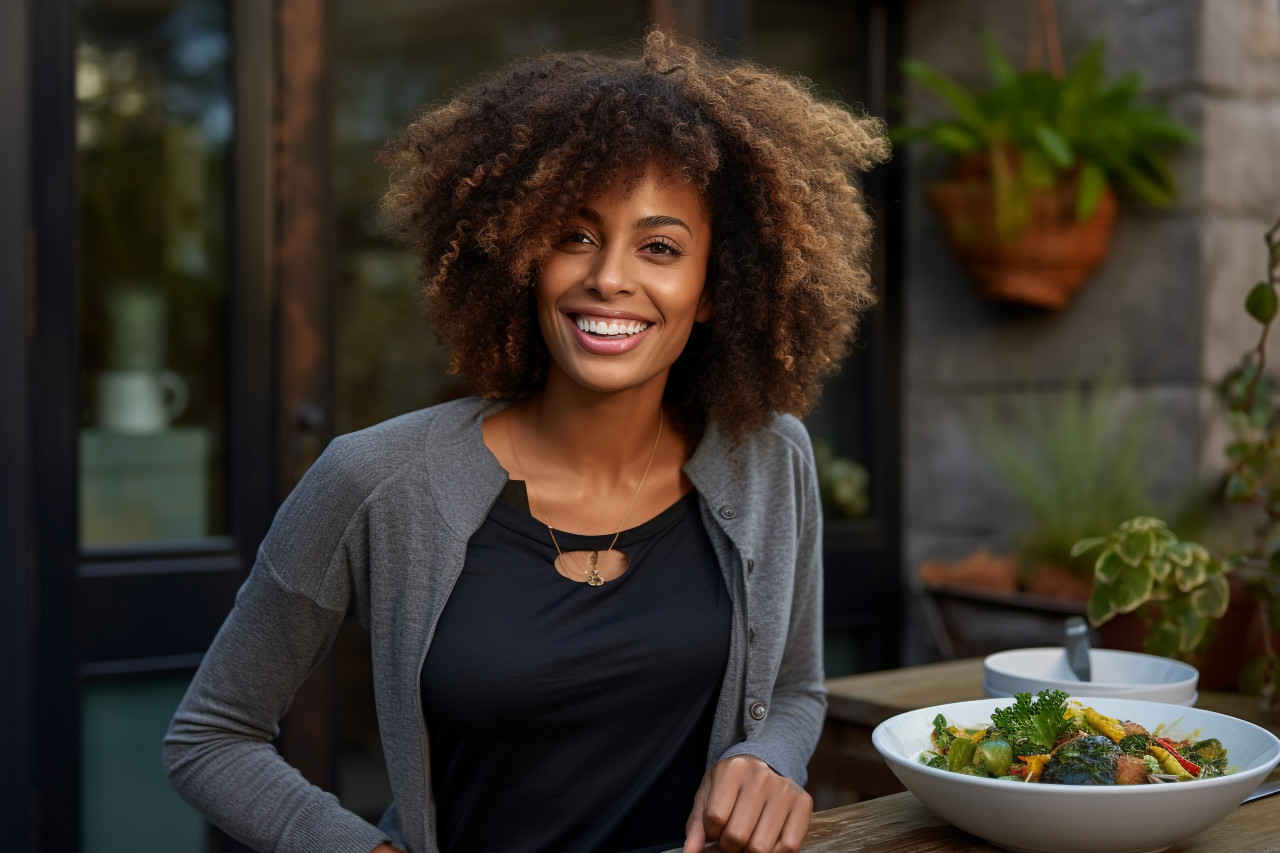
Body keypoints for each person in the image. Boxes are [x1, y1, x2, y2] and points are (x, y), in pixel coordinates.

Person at [164, 30, 888, 853]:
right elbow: (211, 735)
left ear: (717, 288)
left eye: (660, 247)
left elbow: (794, 687)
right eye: (574, 235)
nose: (609, 276)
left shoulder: (767, 458)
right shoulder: (375, 478)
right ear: (520, 255)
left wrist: (769, 757)